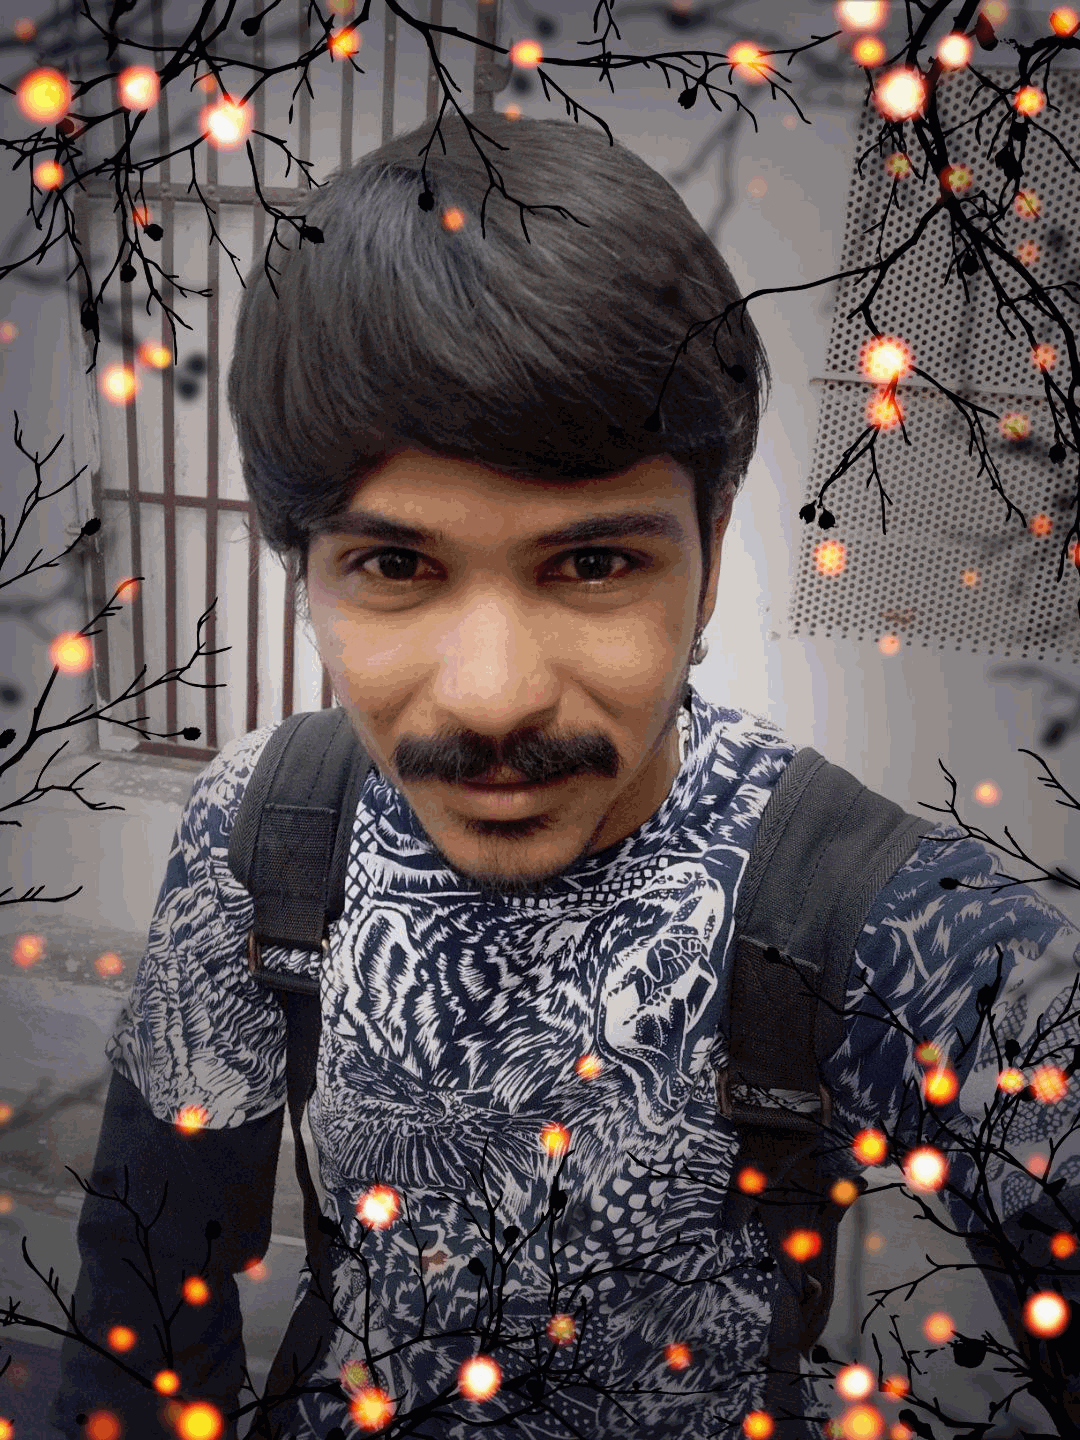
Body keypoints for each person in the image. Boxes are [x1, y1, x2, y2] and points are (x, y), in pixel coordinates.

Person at [51, 113, 1079, 1440]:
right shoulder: (267, 832)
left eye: (593, 564)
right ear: (304, 572)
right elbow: (140, 1309)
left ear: (710, 552)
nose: (493, 697)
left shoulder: (860, 910)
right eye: (396, 566)